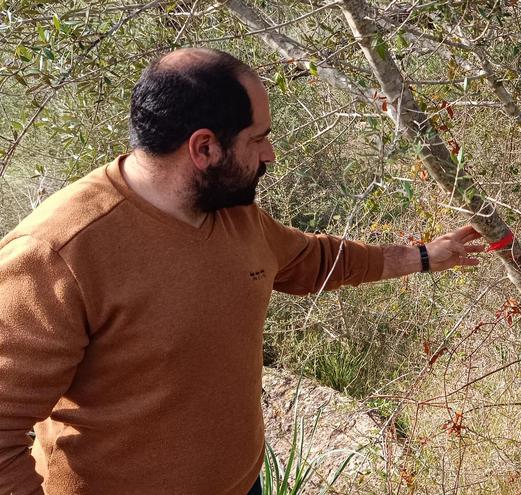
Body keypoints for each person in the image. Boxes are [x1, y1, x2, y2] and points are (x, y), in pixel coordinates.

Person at [0, 48, 483, 494]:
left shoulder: (233, 214)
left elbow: (315, 260)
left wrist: (424, 256)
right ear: (204, 148)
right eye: (259, 139)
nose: (270, 154)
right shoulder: (56, 253)